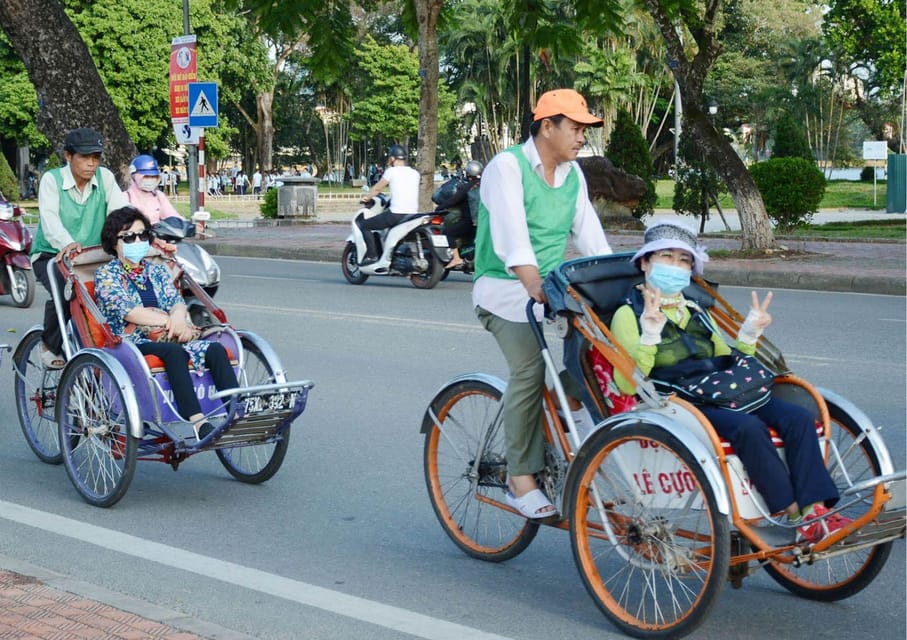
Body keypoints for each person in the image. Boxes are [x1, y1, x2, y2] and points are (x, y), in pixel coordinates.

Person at [611, 218, 850, 543]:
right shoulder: (628, 314)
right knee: (747, 427)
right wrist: (650, 333)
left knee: (798, 418)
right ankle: (795, 513)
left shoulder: (694, 307)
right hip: (678, 401)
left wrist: (750, 332)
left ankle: (815, 510)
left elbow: (728, 358)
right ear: (644, 262)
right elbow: (628, 384)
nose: (676, 266)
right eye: (666, 257)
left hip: (722, 389)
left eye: (684, 261)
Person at [473, 89, 612, 519]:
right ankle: (521, 479)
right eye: (575, 128)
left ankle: (576, 423)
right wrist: (535, 284)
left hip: (549, 290)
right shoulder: (507, 167)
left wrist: (612, 288)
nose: (581, 138)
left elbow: (591, 238)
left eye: (585, 130)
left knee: (600, 354)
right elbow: (513, 239)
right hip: (504, 290)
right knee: (530, 369)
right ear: (546, 125)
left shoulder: (573, 176)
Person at [94, 207, 238, 440]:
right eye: (129, 237)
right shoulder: (107, 275)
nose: (138, 240)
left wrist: (179, 318)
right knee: (174, 353)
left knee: (215, 349)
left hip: (167, 334)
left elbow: (176, 302)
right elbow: (129, 312)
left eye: (142, 235)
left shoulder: (157, 271)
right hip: (130, 342)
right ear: (114, 242)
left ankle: (236, 413)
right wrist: (171, 322)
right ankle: (199, 423)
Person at [32, 127, 130, 369]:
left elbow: (120, 213)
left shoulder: (105, 178)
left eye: (95, 158)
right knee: (70, 288)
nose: (91, 164)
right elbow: (50, 219)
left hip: (93, 256)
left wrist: (130, 238)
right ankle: (49, 343)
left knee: (123, 287)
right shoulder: (51, 180)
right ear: (68, 156)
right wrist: (67, 243)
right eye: (85, 157)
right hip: (52, 254)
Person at [356, 144, 420, 265]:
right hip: (413, 214)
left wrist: (367, 198)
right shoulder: (415, 173)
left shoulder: (391, 172)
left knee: (364, 225)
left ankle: (372, 256)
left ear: (392, 159)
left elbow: (377, 189)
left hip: (396, 214)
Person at [433, 159, 482, 269]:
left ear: (468, 173)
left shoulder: (467, 187)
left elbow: (453, 201)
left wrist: (439, 208)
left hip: (470, 222)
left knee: (447, 232)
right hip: (484, 221)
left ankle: (456, 258)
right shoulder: (486, 185)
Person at [124, 155, 181, 224]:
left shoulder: (159, 196)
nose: (150, 179)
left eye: (154, 177)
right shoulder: (125, 197)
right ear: (133, 176)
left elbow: (171, 215)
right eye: (146, 176)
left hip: (157, 233)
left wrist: (185, 225)